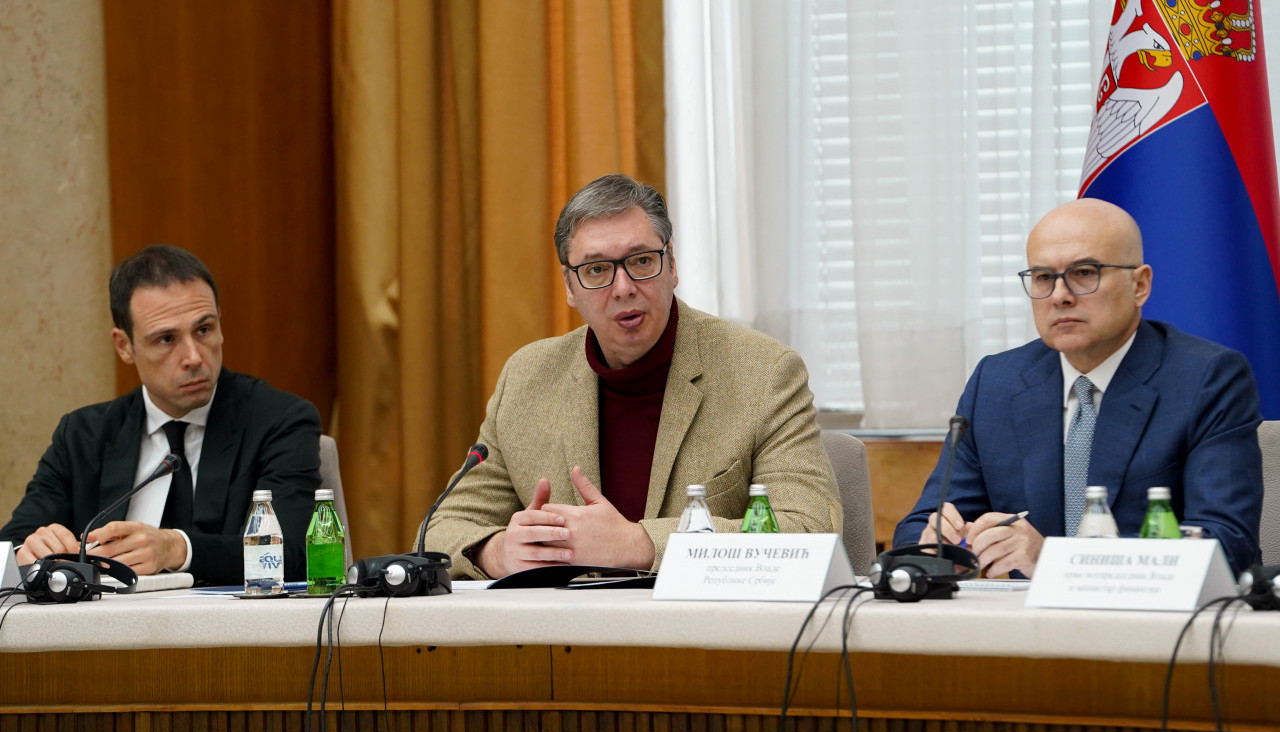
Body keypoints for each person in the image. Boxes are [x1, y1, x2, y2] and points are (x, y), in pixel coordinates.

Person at [427, 174, 840, 579]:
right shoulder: (527, 378)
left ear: (671, 265)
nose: (623, 287)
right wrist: (497, 551)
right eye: (596, 269)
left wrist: (639, 544)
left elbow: (811, 530)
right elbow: (439, 531)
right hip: (564, 623)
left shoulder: (763, 372)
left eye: (641, 261)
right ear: (569, 286)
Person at [893, 198, 1263, 576]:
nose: (1059, 295)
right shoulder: (997, 382)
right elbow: (917, 528)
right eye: (1043, 277)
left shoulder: (1205, 378)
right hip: (1024, 613)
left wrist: (1053, 561)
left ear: (1139, 285)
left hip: (1160, 611)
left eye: (1084, 272)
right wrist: (940, 545)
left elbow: (1224, 541)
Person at [2, 245, 322, 585]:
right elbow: (11, 543)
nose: (193, 357)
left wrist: (177, 549)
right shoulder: (83, 436)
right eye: (166, 339)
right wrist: (27, 549)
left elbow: (291, 554)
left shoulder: (279, 421)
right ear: (124, 346)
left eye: (203, 330)